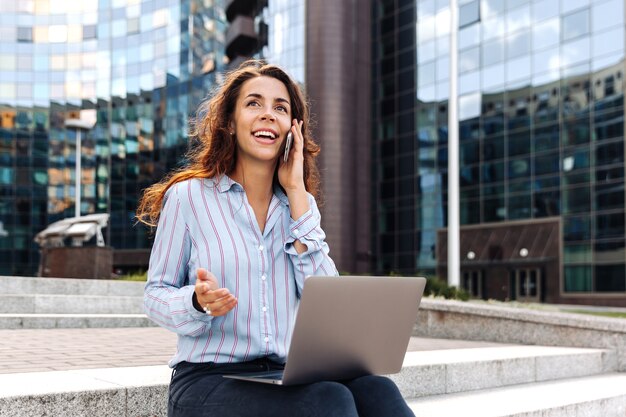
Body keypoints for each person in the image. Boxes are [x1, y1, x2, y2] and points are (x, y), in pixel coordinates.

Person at [136, 59, 415, 417]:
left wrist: (297, 191)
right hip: (208, 381)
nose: (268, 114)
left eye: (280, 108)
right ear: (230, 123)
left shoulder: (299, 206)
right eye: (254, 103)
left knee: (379, 389)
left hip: (282, 377)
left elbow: (327, 298)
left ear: (292, 129)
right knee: (329, 401)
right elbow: (155, 294)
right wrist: (195, 301)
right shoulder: (189, 197)